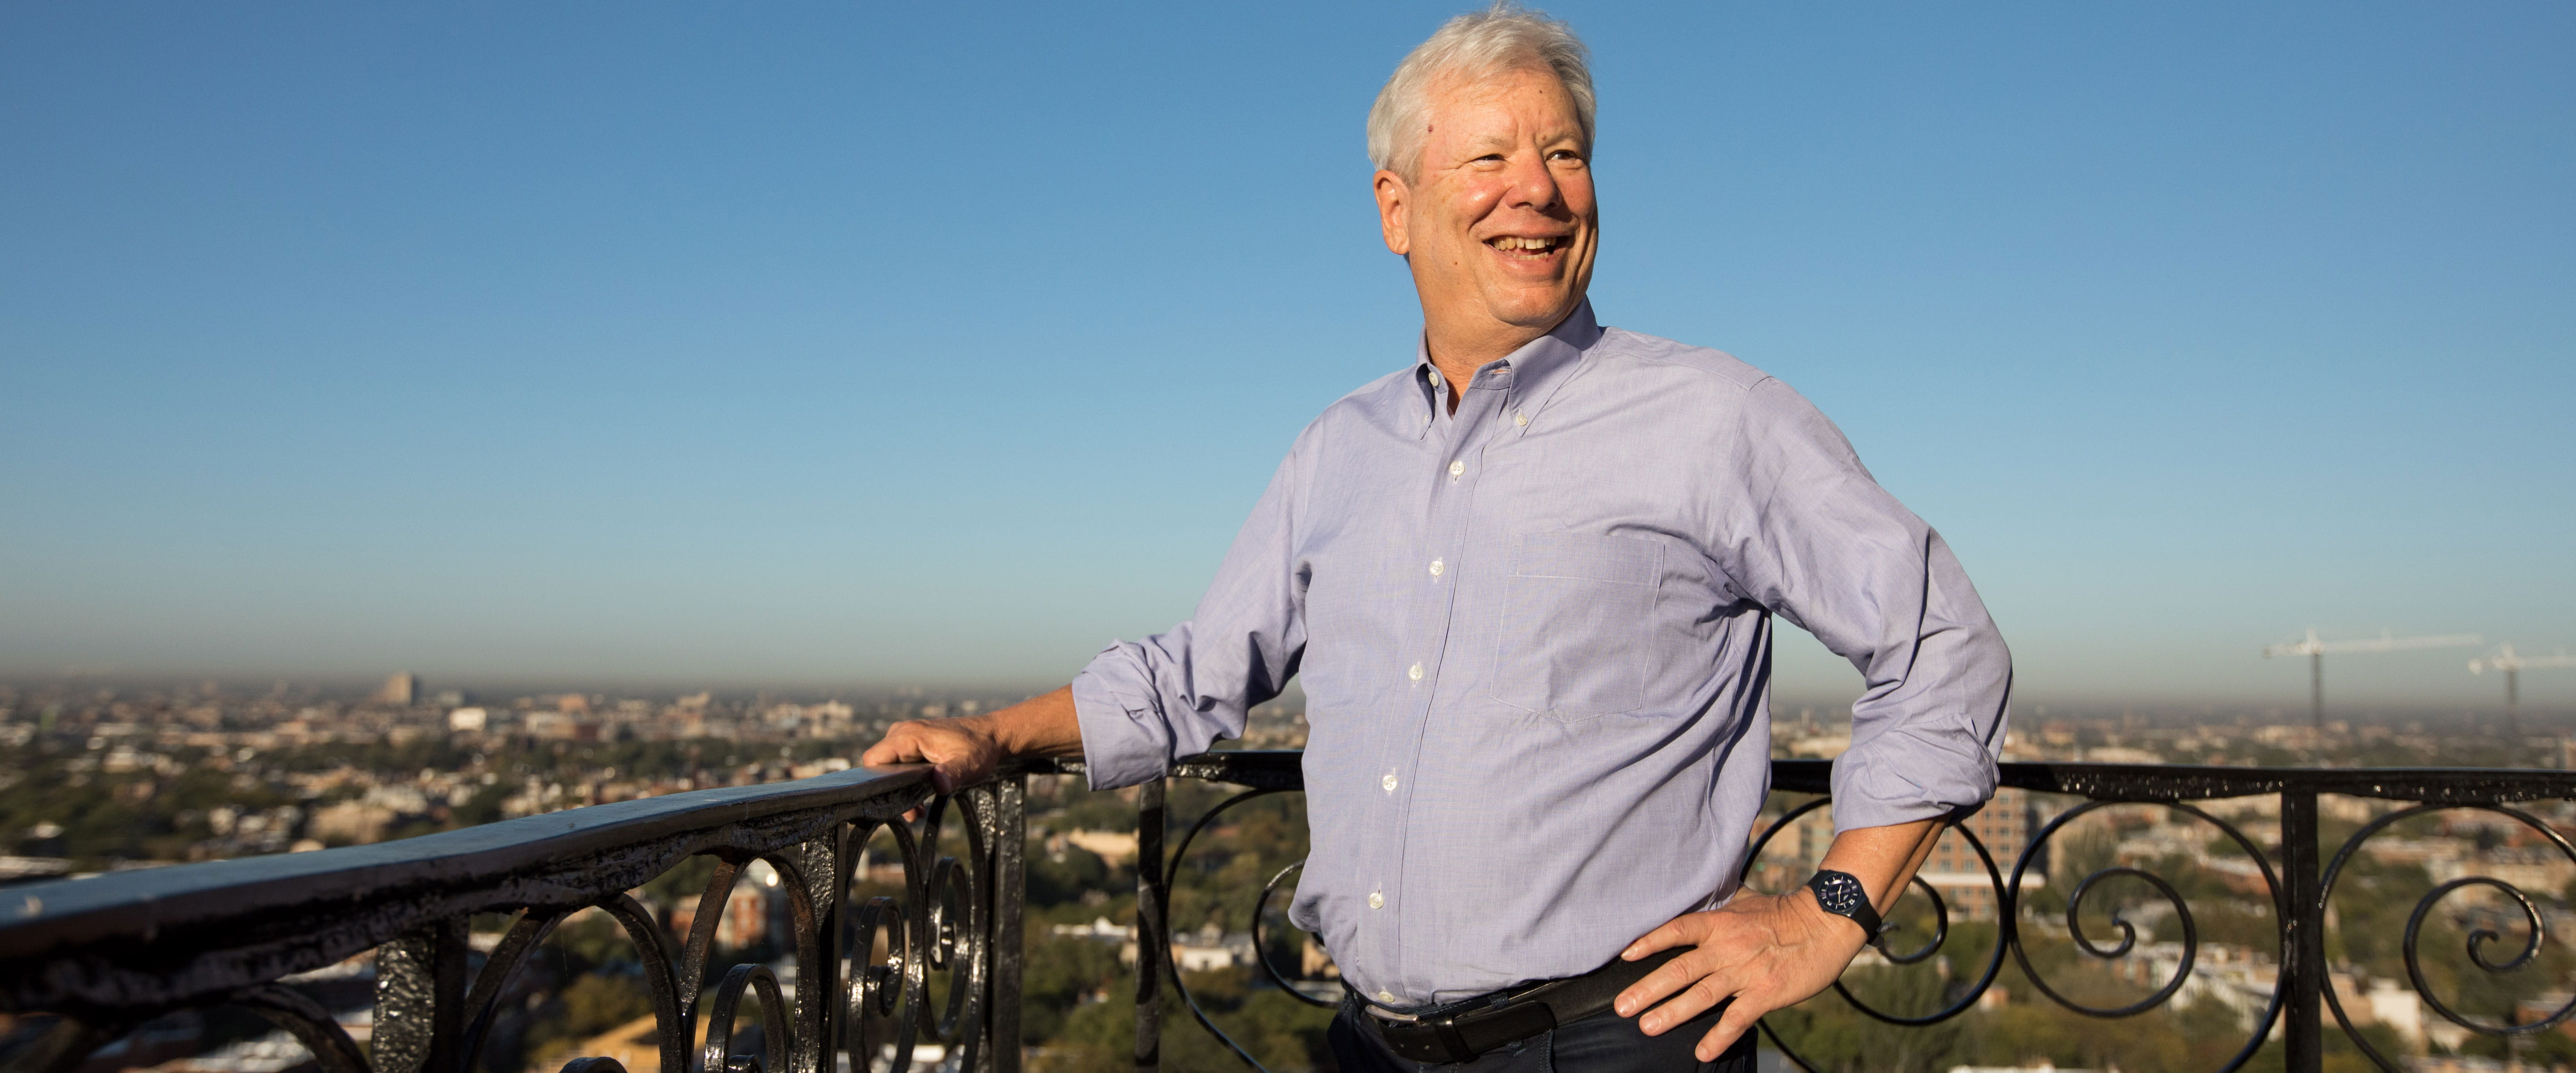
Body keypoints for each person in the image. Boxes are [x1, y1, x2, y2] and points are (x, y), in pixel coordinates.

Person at [863, 5, 2012, 1069]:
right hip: (1370, 1043)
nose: (1541, 192)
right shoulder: (1340, 446)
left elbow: (1944, 643)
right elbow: (1196, 675)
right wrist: (991, 738)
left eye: (1565, 155)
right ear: (1395, 208)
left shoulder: (1714, 419)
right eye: (1490, 160)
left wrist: (1831, 912)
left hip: (1611, 1041)